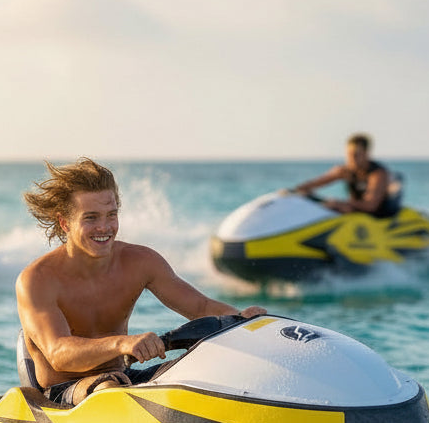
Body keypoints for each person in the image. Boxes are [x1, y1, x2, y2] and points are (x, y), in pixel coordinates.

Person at [16, 158, 267, 406]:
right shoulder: (37, 279)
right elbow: (59, 354)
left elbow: (200, 308)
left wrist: (241, 319)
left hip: (124, 379)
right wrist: (123, 343)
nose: (104, 227)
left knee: (205, 370)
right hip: (66, 391)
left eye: (111, 215)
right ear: (64, 222)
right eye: (91, 218)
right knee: (109, 387)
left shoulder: (140, 261)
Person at [282, 133, 399, 218]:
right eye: (349, 154)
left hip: (376, 215)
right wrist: (293, 191)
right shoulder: (345, 170)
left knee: (339, 207)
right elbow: (316, 183)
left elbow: (371, 206)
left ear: (367, 154)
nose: (352, 159)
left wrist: (339, 203)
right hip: (354, 209)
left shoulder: (377, 174)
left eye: (356, 155)